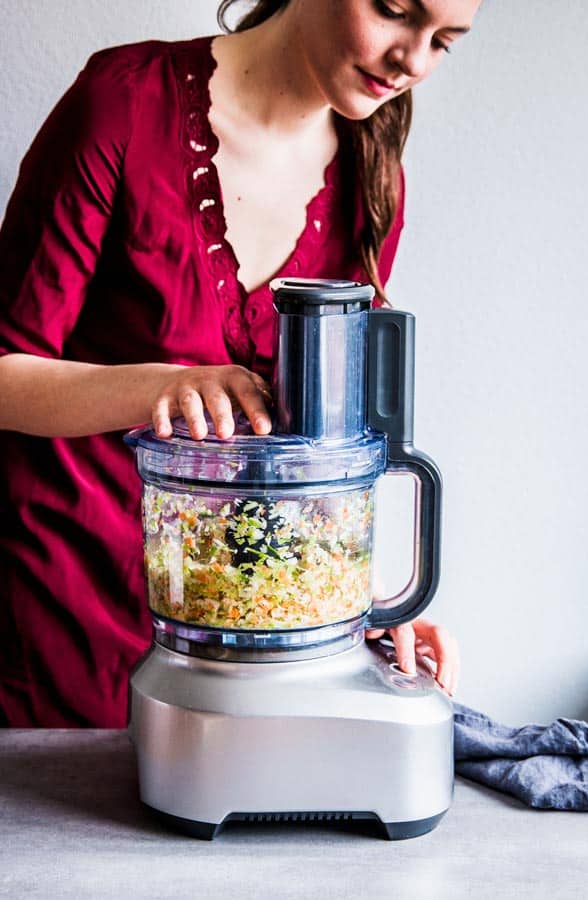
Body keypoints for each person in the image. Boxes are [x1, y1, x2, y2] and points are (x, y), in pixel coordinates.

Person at [0, 0, 475, 727]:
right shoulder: (122, 100)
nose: (412, 59)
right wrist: (167, 384)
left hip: (237, 643)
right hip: (58, 611)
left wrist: (365, 609)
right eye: (394, 12)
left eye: (443, 41)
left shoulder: (374, 181)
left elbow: (318, 455)